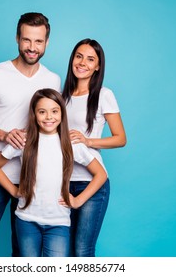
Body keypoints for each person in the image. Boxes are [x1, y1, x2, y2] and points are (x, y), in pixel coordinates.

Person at [0, 12, 61, 257]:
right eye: (27, 40)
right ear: (17, 38)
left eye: (38, 42)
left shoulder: (53, 80)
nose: (32, 47)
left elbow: (53, 127)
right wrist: (5, 135)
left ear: (47, 43)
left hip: (33, 178)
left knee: (24, 254)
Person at [0, 89, 107, 257]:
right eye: (42, 112)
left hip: (58, 223)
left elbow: (101, 174)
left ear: (62, 113)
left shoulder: (72, 144)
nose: (49, 117)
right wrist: (14, 191)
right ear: (34, 115)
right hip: (26, 219)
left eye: (54, 111)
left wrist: (78, 200)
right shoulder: (24, 140)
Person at [62, 38, 127, 257]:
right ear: (72, 59)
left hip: (92, 184)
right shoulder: (62, 96)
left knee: (82, 251)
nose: (83, 63)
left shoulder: (104, 95)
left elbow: (120, 138)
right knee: (64, 252)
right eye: (79, 56)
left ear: (98, 66)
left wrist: (88, 141)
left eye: (91, 59)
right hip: (62, 182)